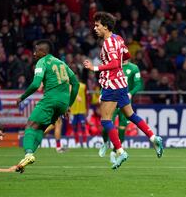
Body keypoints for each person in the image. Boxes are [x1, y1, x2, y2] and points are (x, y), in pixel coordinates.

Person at [83, 12, 163, 169]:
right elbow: (126, 54)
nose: (95, 28)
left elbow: (114, 63)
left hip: (111, 84)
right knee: (130, 114)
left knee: (106, 120)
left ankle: (120, 151)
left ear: (105, 26)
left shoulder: (108, 43)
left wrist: (95, 67)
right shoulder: (118, 38)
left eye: (97, 25)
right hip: (121, 83)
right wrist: (120, 61)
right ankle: (153, 137)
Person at [16, 39, 80, 173]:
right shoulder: (61, 63)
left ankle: (28, 154)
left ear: (43, 52)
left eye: (36, 50)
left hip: (50, 100)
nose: (34, 54)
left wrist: (22, 97)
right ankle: (27, 157)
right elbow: (76, 84)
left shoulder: (42, 62)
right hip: (63, 103)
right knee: (40, 128)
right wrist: (69, 105)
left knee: (30, 125)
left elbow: (35, 84)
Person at [98, 60, 144, 163]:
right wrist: (102, 94)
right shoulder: (113, 65)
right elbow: (106, 81)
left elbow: (138, 84)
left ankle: (115, 152)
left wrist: (131, 93)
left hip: (125, 101)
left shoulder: (134, 68)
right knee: (106, 126)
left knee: (122, 129)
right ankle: (105, 143)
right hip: (112, 100)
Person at [70, 79, 89, 148]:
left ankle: (84, 142)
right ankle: (77, 142)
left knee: (83, 126)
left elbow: (87, 98)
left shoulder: (83, 86)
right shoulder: (70, 87)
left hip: (82, 110)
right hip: (73, 111)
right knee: (74, 127)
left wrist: (87, 109)